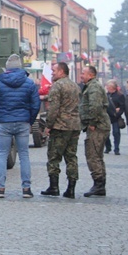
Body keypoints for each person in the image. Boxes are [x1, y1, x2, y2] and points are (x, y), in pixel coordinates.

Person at [0, 54, 41, 198]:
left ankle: (0, 189)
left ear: (7, 67)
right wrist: (30, 120)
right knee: (24, 155)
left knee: (2, 155)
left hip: (4, 122)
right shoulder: (29, 83)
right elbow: (36, 104)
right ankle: (26, 189)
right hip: (23, 122)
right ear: (20, 66)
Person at [40, 62, 81, 198]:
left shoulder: (57, 86)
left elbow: (54, 109)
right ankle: (71, 188)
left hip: (60, 126)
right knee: (71, 157)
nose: (52, 73)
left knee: (54, 157)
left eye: (54, 71)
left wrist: (48, 125)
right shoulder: (74, 85)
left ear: (62, 71)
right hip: (74, 125)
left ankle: (54, 187)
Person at [80, 65, 111, 197]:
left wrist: (92, 122)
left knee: (93, 155)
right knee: (97, 156)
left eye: (83, 73)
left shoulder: (93, 87)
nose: (81, 75)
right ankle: (100, 184)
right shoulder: (92, 86)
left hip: (97, 126)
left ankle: (98, 184)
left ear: (91, 75)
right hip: (99, 125)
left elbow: (96, 106)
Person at [104, 80, 126, 155]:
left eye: (108, 87)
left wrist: (118, 113)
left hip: (115, 117)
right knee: (105, 133)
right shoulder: (106, 95)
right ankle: (108, 147)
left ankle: (116, 148)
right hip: (106, 116)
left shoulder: (120, 95)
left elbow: (123, 107)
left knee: (116, 133)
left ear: (112, 87)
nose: (107, 88)